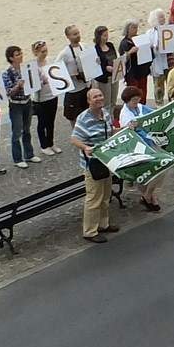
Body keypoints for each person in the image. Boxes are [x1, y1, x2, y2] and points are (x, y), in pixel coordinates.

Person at [70, 87, 118, 243]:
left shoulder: (105, 113)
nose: (99, 98)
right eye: (95, 97)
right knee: (94, 198)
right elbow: (74, 138)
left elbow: (111, 132)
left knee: (105, 196)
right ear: (89, 101)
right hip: (92, 164)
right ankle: (90, 231)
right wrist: (85, 148)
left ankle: (103, 224)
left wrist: (124, 129)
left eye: (100, 95)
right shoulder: (84, 118)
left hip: (106, 160)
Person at [117, 86, 163, 211]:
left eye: (138, 100)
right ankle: (148, 195)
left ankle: (148, 195)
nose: (137, 103)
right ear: (127, 101)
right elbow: (128, 133)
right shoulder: (125, 115)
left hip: (149, 144)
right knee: (149, 171)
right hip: (137, 148)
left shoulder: (140, 107)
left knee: (159, 170)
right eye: (134, 101)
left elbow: (154, 114)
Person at [3, 46, 37, 168]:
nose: (21, 56)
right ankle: (17, 158)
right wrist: (18, 86)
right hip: (16, 105)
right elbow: (8, 93)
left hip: (27, 101)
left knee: (27, 130)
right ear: (11, 58)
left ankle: (29, 154)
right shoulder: (7, 73)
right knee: (17, 132)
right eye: (17, 54)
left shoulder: (26, 69)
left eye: (21, 53)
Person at [29, 40, 61, 156]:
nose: (45, 53)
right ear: (35, 52)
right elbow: (31, 85)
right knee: (42, 122)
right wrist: (42, 81)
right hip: (40, 99)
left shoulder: (50, 62)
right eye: (42, 51)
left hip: (52, 96)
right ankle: (44, 145)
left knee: (51, 122)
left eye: (46, 51)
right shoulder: (33, 66)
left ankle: (51, 142)